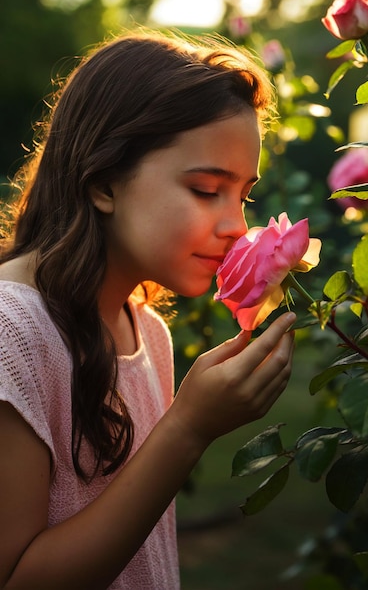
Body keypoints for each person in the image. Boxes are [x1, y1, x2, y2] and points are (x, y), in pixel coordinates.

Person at [0, 29, 296, 589]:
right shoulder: (9, 336)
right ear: (106, 182)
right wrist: (187, 428)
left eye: (244, 195)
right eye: (208, 189)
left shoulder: (145, 332)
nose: (237, 226)